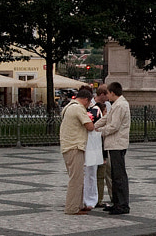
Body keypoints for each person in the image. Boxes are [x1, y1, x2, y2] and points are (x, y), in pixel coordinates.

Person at [96, 81, 132, 215]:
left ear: (112, 93)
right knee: (114, 175)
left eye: (108, 94)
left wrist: (99, 131)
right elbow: (106, 119)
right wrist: (94, 125)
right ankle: (116, 203)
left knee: (119, 175)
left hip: (117, 144)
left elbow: (113, 126)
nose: (106, 97)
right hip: (114, 144)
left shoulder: (121, 105)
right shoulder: (116, 105)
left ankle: (122, 205)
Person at [60, 86, 96, 215]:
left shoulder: (69, 107)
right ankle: (72, 208)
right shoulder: (78, 108)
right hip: (74, 147)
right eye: (89, 102)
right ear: (86, 99)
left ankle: (79, 205)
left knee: (79, 177)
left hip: (69, 146)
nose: (89, 105)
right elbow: (90, 126)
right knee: (76, 179)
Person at [83, 86, 105, 210]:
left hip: (92, 144)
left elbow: (93, 127)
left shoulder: (95, 110)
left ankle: (91, 199)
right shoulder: (82, 109)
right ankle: (84, 197)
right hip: (86, 143)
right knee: (85, 173)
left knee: (91, 172)